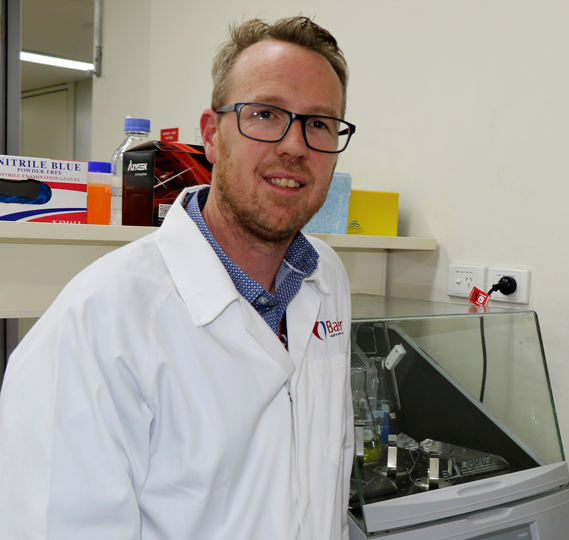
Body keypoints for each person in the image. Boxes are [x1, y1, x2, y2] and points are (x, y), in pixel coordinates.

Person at [0, 16, 357, 540]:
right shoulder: (98, 322)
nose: (294, 146)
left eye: (319, 123)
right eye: (265, 114)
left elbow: (327, 474)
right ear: (212, 137)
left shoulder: (327, 278)